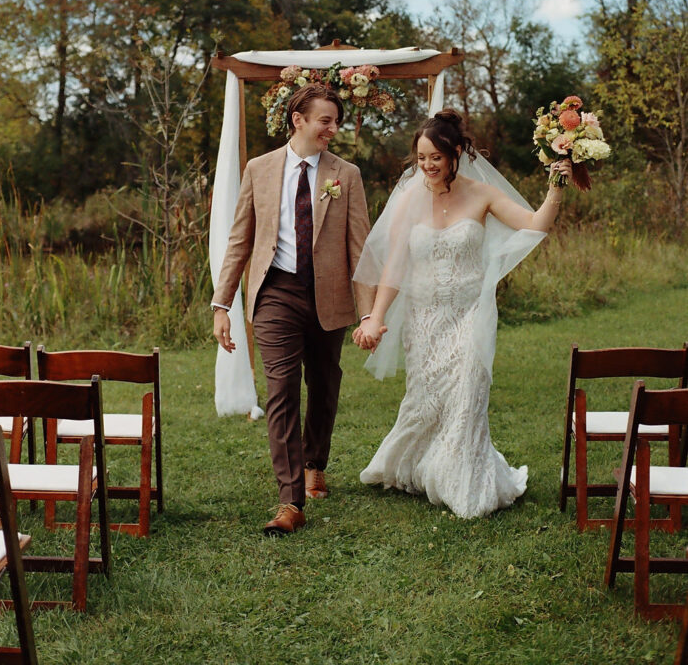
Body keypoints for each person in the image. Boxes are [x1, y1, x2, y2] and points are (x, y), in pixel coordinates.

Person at [351, 109, 571, 518]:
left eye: (435, 157)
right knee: (428, 400)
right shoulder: (409, 201)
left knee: (468, 392)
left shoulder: (482, 194)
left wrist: (556, 187)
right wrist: (375, 318)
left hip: (470, 314)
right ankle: (419, 465)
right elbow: (394, 266)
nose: (427, 166)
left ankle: (464, 482)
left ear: (456, 153)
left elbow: (534, 224)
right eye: (420, 158)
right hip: (424, 318)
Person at [212, 83, 374, 535]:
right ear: (298, 120)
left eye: (335, 121)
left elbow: (360, 247)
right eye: (325, 120)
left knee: (324, 383)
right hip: (275, 294)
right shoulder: (259, 169)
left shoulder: (348, 174)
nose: (332, 129)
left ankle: (315, 461)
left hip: (329, 296)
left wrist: (367, 314)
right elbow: (240, 239)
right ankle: (290, 501)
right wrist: (221, 303)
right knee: (281, 391)